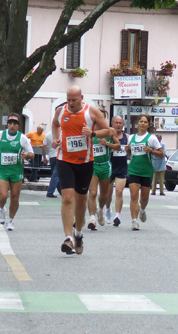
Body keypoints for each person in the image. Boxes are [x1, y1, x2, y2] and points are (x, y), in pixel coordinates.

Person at [52, 85, 112, 254]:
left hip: (85, 162)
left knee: (81, 199)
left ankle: (78, 234)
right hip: (64, 160)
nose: (70, 103)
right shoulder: (61, 111)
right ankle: (68, 237)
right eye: (68, 99)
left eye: (74, 100)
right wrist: (56, 139)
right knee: (68, 197)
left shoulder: (91, 112)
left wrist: (92, 134)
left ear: (81, 97)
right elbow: (55, 124)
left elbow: (108, 130)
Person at [0, 113, 34, 231]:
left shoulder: (22, 138)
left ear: (18, 125)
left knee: (14, 197)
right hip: (3, 170)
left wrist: (26, 155)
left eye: (15, 123)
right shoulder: (0, 135)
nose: (12, 126)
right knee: (2, 195)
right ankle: (2, 209)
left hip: (16, 171)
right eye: (10, 123)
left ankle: (11, 220)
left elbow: (31, 153)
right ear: (7, 124)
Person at [126, 114, 163, 231]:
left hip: (146, 171)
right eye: (141, 121)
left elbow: (161, 154)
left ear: (148, 125)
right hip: (133, 170)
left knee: (144, 197)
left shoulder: (151, 138)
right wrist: (128, 151)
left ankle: (142, 210)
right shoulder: (131, 137)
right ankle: (134, 221)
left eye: (145, 122)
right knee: (133, 196)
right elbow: (130, 155)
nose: (143, 124)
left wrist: (151, 150)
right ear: (138, 123)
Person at [87, 124, 118, 230]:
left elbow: (118, 146)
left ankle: (100, 210)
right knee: (93, 192)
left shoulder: (110, 132)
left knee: (104, 195)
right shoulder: (89, 131)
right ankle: (92, 218)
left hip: (105, 166)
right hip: (93, 166)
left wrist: (107, 143)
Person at [104, 116, 129, 227]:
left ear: (123, 124)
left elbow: (130, 154)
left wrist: (129, 151)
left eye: (120, 123)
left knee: (119, 191)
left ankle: (117, 215)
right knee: (108, 194)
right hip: (110, 168)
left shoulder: (127, 137)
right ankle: (108, 209)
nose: (118, 125)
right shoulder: (108, 136)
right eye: (116, 123)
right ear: (112, 124)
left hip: (122, 168)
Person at [42, 126, 62, 198]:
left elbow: (44, 146)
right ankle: (50, 192)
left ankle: (61, 192)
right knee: (56, 175)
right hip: (59, 156)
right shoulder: (61, 134)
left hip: (51, 156)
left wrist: (44, 157)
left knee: (57, 174)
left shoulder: (48, 134)